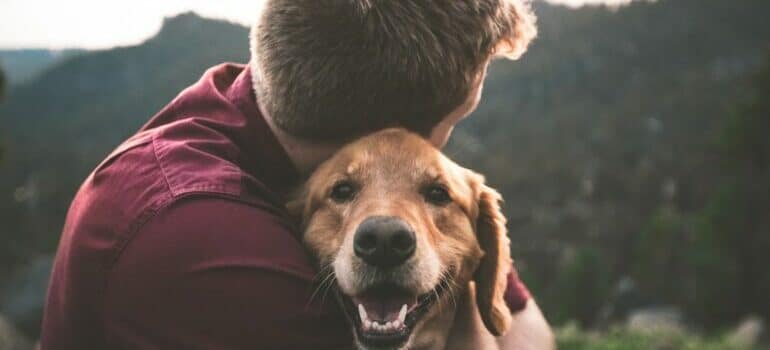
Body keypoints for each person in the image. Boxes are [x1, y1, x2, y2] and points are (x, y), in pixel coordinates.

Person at [41, 0, 552, 349]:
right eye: (454, 122)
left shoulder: (247, 105)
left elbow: (529, 330)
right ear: (389, 131)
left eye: (433, 186)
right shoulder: (205, 246)